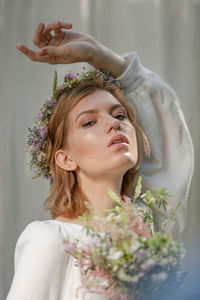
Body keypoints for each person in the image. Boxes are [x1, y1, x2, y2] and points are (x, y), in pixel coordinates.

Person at [6, 21, 194, 300]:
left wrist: (97, 54)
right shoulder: (52, 240)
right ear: (65, 158)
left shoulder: (149, 231)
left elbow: (171, 134)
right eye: (89, 122)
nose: (113, 124)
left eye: (120, 115)